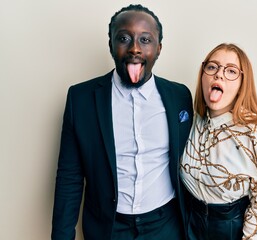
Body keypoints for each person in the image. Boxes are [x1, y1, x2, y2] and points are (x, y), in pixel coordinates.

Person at [51, 4, 193, 240]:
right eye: (124, 38)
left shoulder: (180, 97)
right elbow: (69, 177)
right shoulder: (81, 99)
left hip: (166, 227)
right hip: (108, 228)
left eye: (145, 39)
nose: (135, 48)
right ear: (111, 45)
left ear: (159, 49)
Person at [180, 43, 257, 240]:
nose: (219, 75)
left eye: (230, 71)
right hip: (189, 229)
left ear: (242, 83)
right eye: (212, 67)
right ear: (202, 76)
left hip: (230, 232)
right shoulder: (189, 123)